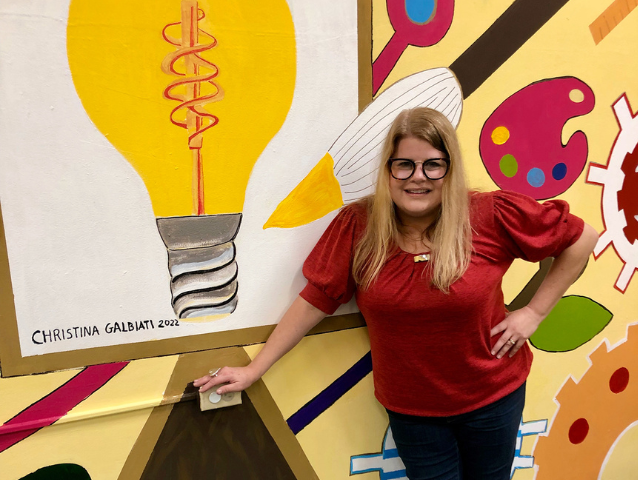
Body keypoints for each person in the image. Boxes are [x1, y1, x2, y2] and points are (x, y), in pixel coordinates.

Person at [194, 107, 598, 480]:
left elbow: (581, 238)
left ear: (450, 170)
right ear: (388, 170)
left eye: (432, 166)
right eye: (404, 164)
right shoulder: (359, 225)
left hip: (493, 398)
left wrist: (535, 313)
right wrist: (252, 369)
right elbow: (316, 299)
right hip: (414, 413)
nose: (417, 177)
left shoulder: (490, 215)